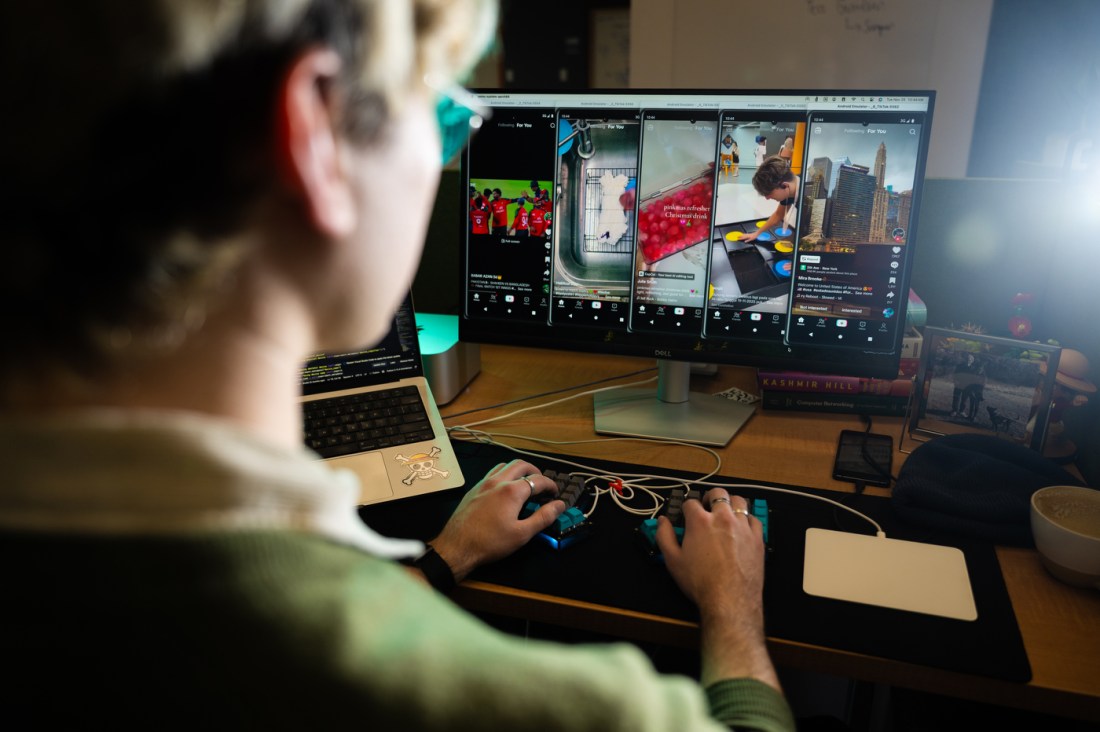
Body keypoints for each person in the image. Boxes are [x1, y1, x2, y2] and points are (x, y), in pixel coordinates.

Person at [0, 1, 794, 730]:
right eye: (445, 118)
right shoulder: (570, 709)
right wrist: (731, 610)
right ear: (313, 137)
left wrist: (446, 560)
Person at [741, 156, 800, 242]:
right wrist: (756, 234)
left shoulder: (811, 197)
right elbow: (778, 216)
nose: (767, 198)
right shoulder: (788, 191)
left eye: (769, 193)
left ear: (785, 185)